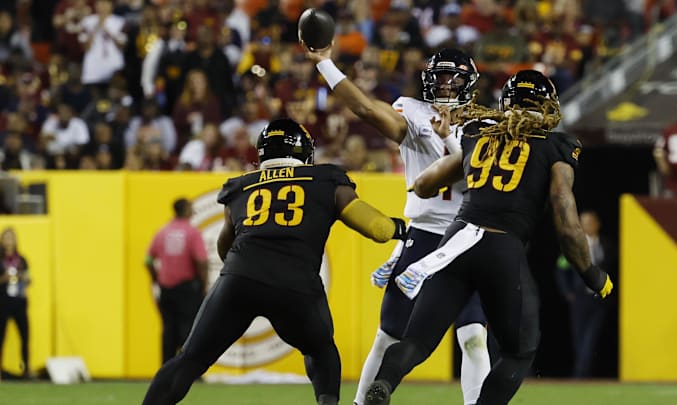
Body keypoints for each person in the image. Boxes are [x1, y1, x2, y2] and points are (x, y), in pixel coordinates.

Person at [363, 70, 614, 405]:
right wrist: (592, 274)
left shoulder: (477, 133)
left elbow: (424, 185)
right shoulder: (558, 145)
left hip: (456, 242)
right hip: (502, 248)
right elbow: (566, 218)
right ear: (547, 105)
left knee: (417, 341)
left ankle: (383, 384)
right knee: (518, 352)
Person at [141, 118, 408, 405]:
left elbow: (224, 245)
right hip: (295, 283)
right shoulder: (325, 180)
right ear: (304, 151)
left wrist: (244, 277)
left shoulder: (241, 186)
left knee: (190, 359)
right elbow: (377, 229)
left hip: (239, 278)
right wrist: (403, 229)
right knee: (320, 352)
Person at [304, 44, 491, 405]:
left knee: (473, 335)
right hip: (422, 236)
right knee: (388, 333)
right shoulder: (413, 111)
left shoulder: (487, 124)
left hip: (466, 238)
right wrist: (325, 63)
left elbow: (472, 173)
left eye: (454, 80)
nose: (446, 87)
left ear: (470, 84)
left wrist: (449, 136)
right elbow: (364, 108)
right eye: (440, 78)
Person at [146, 197, 209, 365]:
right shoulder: (191, 232)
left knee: (168, 331)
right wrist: (204, 285)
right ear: (186, 210)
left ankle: (166, 369)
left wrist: (155, 279)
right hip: (187, 288)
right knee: (188, 330)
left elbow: (148, 260)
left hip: (166, 288)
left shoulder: (162, 232)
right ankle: (188, 369)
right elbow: (202, 261)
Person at [555, 210, 617, 378]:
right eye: (584, 223)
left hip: (599, 299)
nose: (587, 226)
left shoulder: (607, 245)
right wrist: (568, 292)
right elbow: (561, 269)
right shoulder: (574, 246)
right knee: (579, 336)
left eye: (590, 222)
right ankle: (581, 373)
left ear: (598, 224)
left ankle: (582, 373)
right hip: (580, 299)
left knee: (592, 336)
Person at [0, 227, 31, 378]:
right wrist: (3, 279)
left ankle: (26, 369)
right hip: (3, 303)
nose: (9, 240)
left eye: (12, 237)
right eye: (6, 237)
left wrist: (22, 277)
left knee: (25, 336)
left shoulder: (22, 260)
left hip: (19, 302)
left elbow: (29, 278)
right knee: (1, 336)